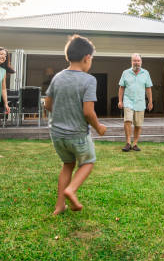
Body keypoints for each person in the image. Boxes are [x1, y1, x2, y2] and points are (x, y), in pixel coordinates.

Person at [44, 35, 107, 215]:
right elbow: (88, 112)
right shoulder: (89, 80)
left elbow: (47, 105)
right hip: (77, 135)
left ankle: (59, 206)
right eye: (92, 59)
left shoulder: (57, 77)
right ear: (87, 58)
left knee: (67, 165)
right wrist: (99, 127)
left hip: (57, 134)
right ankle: (71, 190)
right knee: (88, 162)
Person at [117, 53, 153, 152]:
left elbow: (148, 88)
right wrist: (120, 101)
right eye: (134, 61)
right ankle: (128, 143)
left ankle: (135, 143)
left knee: (138, 124)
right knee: (127, 120)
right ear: (131, 61)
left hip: (140, 102)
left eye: (138, 61)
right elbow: (121, 87)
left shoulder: (146, 73)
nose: (136, 62)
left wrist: (150, 102)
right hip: (128, 100)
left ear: (141, 62)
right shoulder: (125, 73)